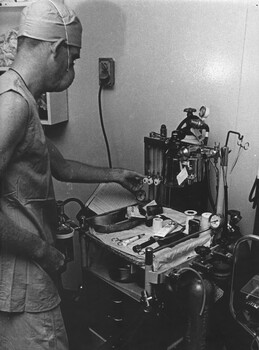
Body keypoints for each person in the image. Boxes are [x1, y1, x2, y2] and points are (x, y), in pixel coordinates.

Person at [0, 1, 143, 349]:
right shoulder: (13, 105)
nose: (73, 67)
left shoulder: (18, 94)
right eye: (74, 58)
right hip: (23, 277)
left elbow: (58, 165)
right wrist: (42, 250)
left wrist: (115, 174)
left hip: (21, 273)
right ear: (58, 49)